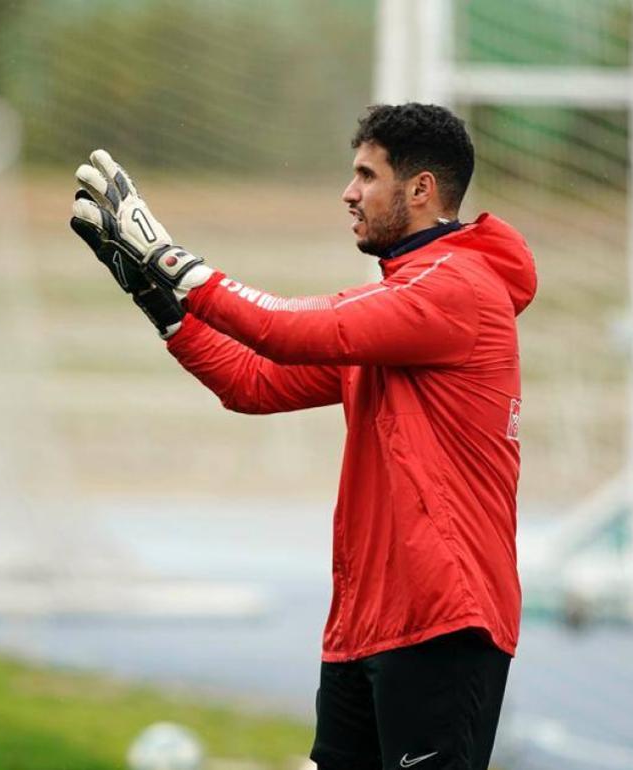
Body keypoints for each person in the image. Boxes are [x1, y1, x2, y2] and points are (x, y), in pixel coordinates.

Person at [69, 103, 537, 770]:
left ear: (421, 190)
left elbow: (286, 331)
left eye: (366, 175)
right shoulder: (400, 304)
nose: (349, 193)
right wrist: (156, 296)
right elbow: (251, 382)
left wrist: (169, 257)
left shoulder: (455, 288)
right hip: (362, 624)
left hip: (441, 620)